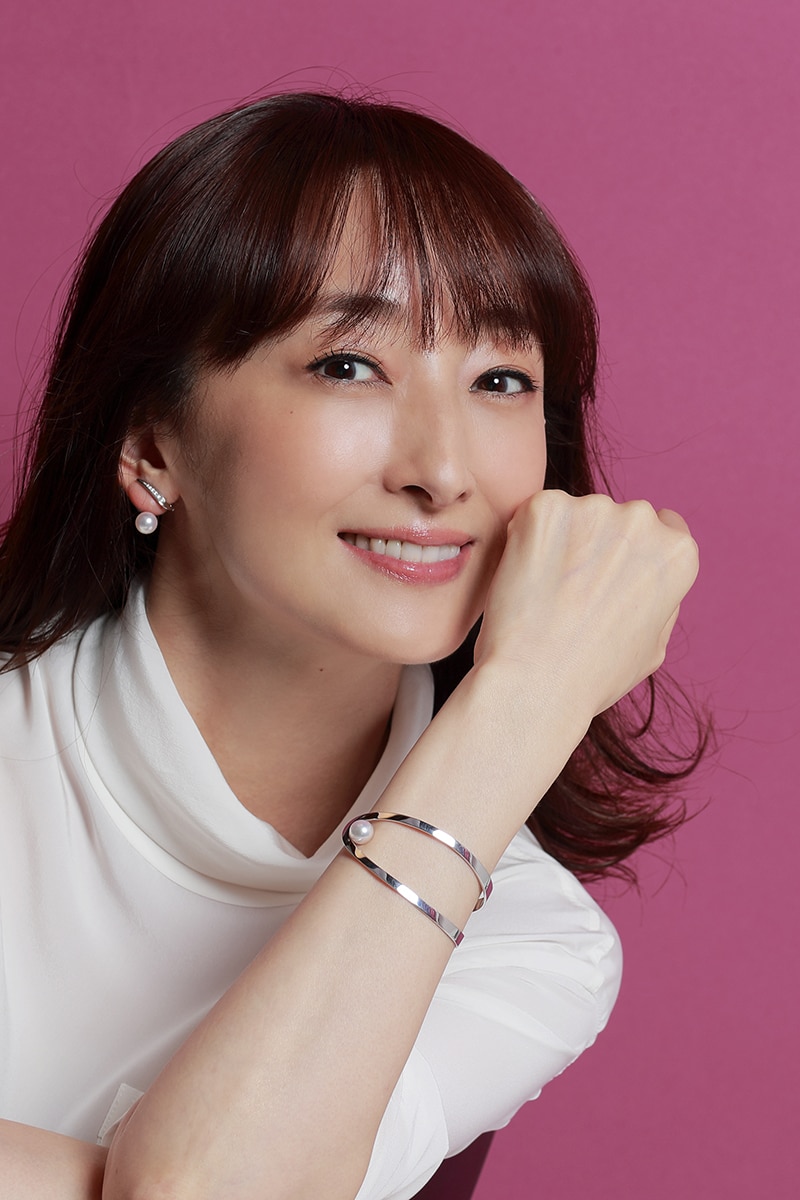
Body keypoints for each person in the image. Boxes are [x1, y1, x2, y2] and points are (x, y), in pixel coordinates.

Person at [0, 91, 703, 1200]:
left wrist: (527, 701)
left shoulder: (530, 934)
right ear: (152, 444)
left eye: (500, 381)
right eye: (348, 365)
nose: (443, 471)